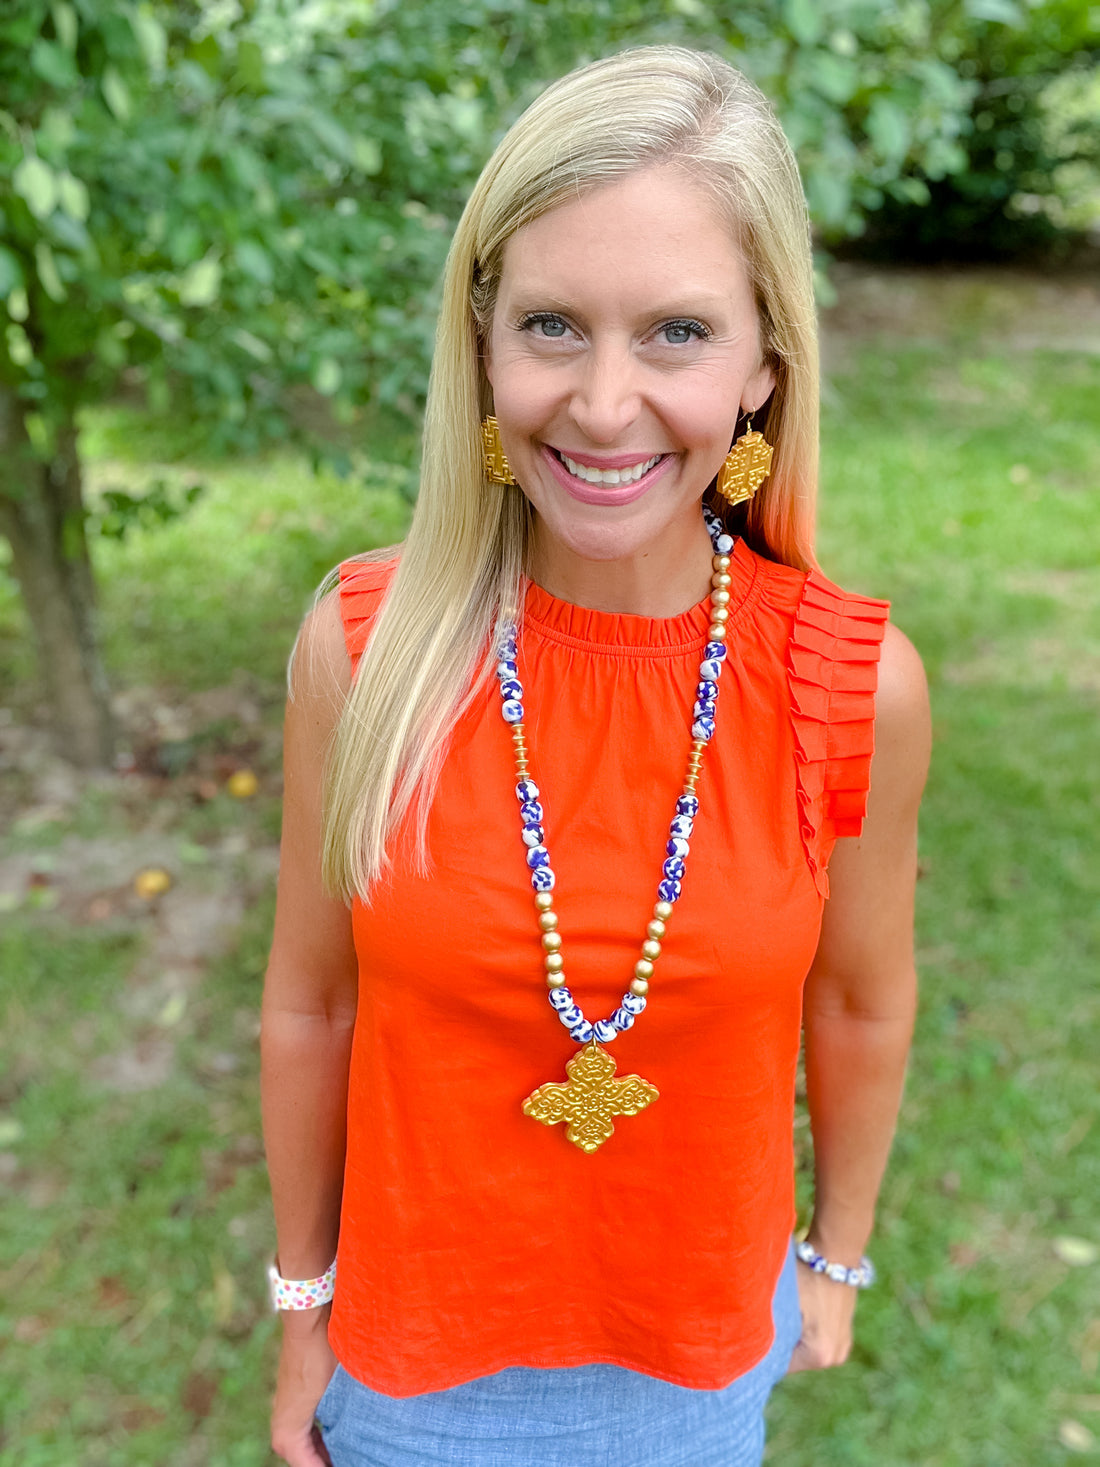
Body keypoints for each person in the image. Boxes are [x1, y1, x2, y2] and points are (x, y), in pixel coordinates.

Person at [261, 44, 931, 1467]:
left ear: (765, 366)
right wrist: (300, 1306)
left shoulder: (847, 685)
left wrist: (838, 1255)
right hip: (409, 1379)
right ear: (484, 342)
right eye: (555, 327)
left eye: (678, 334)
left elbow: (864, 1003)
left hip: (698, 1371)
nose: (608, 406)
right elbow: (312, 1007)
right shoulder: (366, 649)